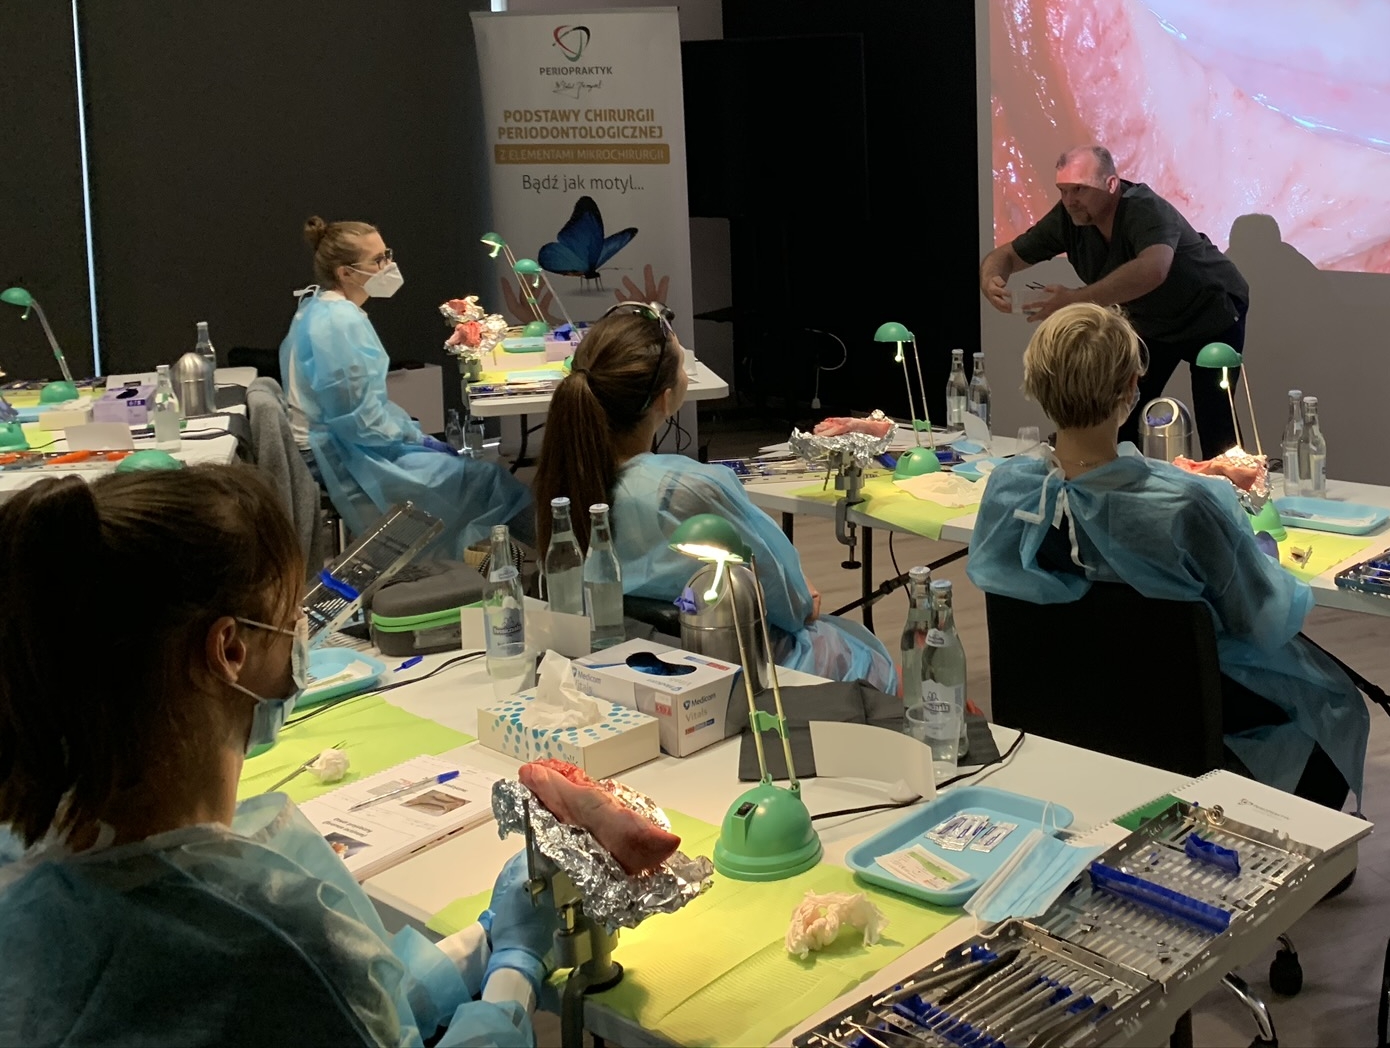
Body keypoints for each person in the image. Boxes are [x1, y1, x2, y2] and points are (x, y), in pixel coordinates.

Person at [0, 465, 547, 1047]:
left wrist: (481, 944)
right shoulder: (270, 938)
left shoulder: (34, 873)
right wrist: (516, 972)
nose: (301, 636)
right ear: (228, 650)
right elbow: (321, 991)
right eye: (291, 621)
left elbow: (342, 1014)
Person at [968, 305, 1364, 807]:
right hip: (1176, 706)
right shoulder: (1183, 504)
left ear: (1036, 384)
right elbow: (1259, 616)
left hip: (1060, 707)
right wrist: (1258, 547)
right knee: (1335, 703)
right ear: (1131, 389)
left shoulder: (1010, 491)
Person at [532, 304, 898, 691]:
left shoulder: (562, 480)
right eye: (682, 361)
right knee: (870, 659)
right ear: (665, 400)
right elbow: (796, 605)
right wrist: (801, 597)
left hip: (624, 665)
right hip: (726, 669)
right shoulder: (687, 490)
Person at [980, 146, 1251, 459]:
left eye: (1079, 189)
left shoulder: (1144, 208)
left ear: (1111, 184)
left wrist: (1074, 300)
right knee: (1121, 411)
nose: (1069, 200)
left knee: (1216, 419)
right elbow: (1007, 255)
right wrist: (991, 278)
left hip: (1212, 312)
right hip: (1152, 321)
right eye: (1063, 190)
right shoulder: (1069, 217)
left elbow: (1153, 269)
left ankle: (1234, 487)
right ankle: (1121, 483)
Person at [283, 217, 530, 555]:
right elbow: (360, 422)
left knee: (473, 475)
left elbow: (359, 408)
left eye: (387, 254)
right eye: (377, 260)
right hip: (337, 455)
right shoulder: (340, 323)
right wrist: (413, 437)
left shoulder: (318, 307)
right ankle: (559, 551)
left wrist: (409, 432)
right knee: (489, 482)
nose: (388, 266)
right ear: (346, 273)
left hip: (340, 443)